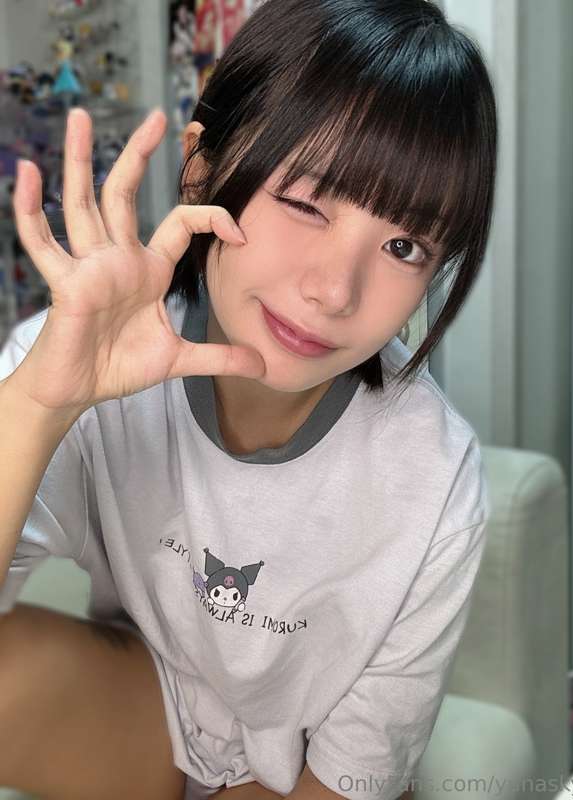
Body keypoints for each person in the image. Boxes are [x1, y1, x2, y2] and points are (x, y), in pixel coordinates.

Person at [0, 1, 498, 799]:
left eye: (403, 246)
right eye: (305, 201)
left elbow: (348, 776)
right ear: (203, 170)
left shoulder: (435, 479)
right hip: (152, 706)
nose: (335, 291)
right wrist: (38, 407)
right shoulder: (88, 360)